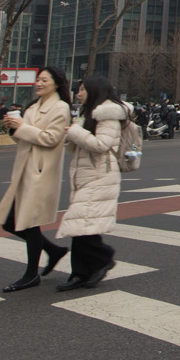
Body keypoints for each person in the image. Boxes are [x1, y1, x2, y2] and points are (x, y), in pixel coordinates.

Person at [0, 67, 73, 291]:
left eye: (44, 80)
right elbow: (24, 139)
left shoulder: (60, 107)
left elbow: (51, 138)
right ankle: (53, 251)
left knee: (29, 223)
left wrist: (22, 127)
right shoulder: (33, 107)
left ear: (56, 84)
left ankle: (31, 274)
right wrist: (13, 129)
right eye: (38, 79)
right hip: (24, 169)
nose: (39, 83)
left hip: (41, 171)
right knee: (11, 222)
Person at [56, 75, 128, 290]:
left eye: (82, 89)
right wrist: (71, 135)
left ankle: (104, 258)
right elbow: (77, 147)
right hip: (87, 174)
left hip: (100, 176)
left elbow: (101, 145)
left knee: (80, 223)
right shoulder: (88, 114)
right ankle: (81, 272)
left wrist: (76, 132)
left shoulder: (108, 115)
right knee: (82, 225)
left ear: (94, 91)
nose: (78, 94)